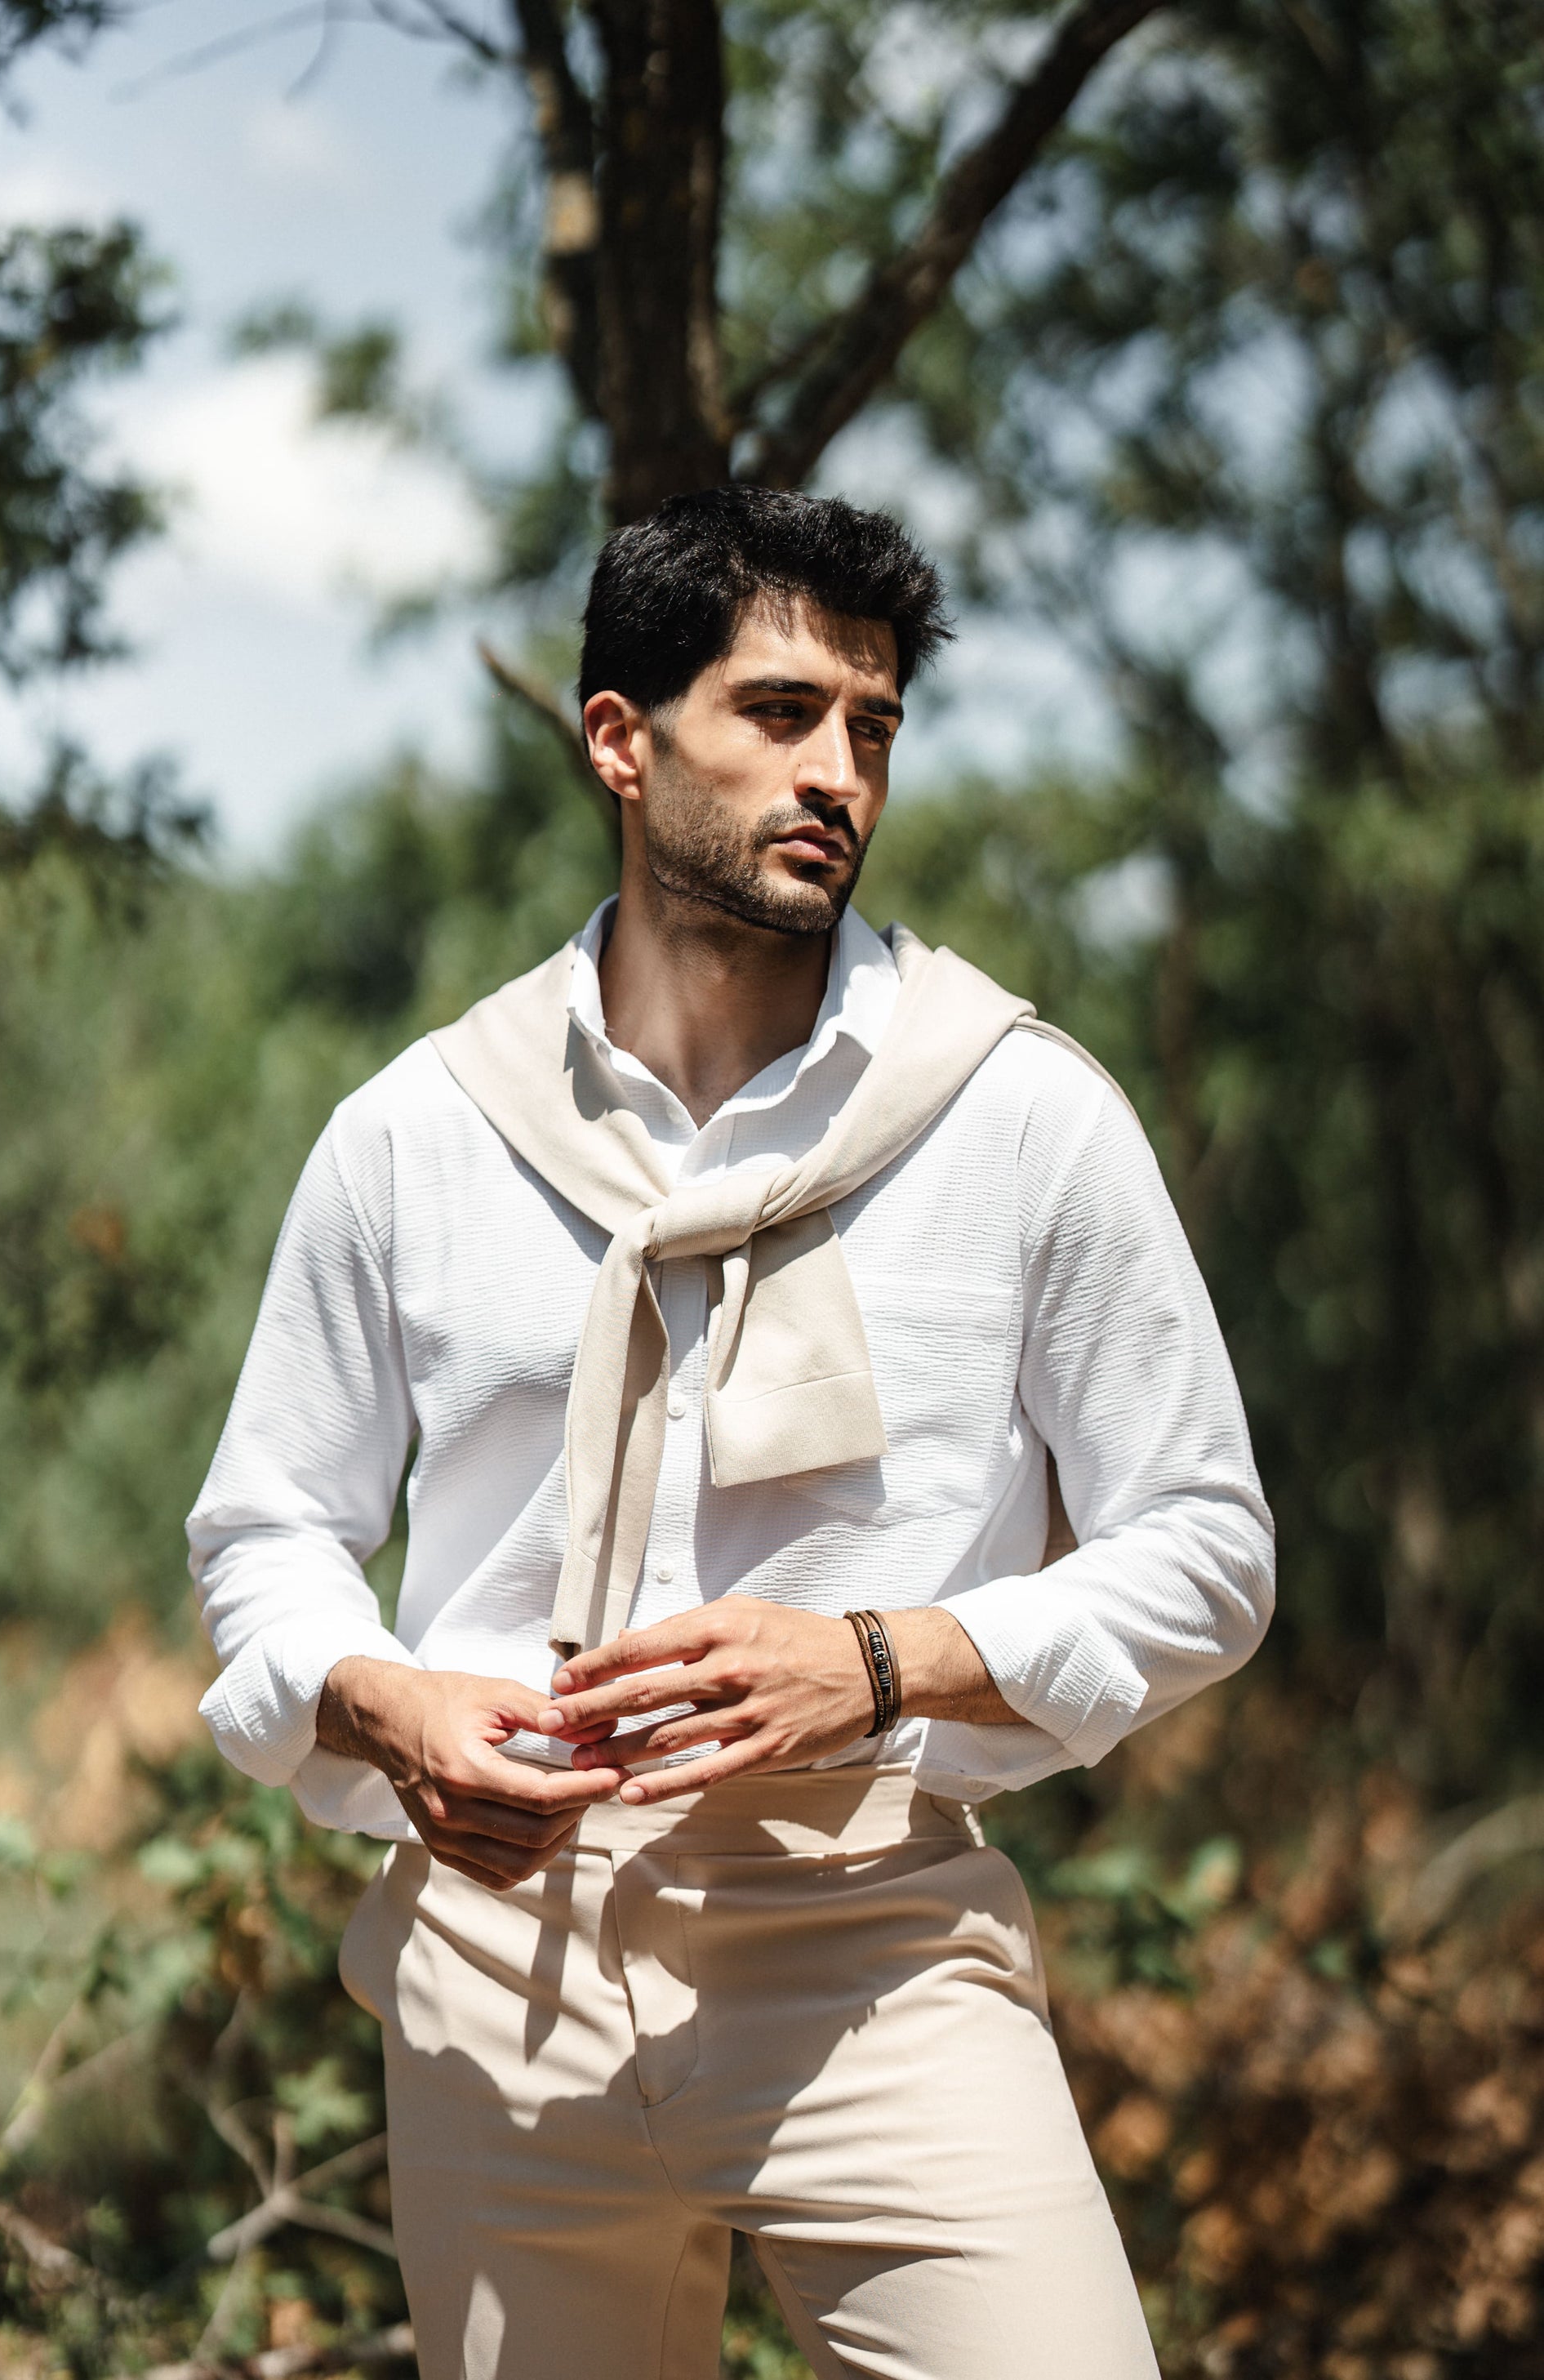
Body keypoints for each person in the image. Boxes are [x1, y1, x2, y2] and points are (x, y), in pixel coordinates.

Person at [189, 486, 1275, 2380]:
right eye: (778, 712)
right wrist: (385, 1701)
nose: (837, 770)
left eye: (872, 725)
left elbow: (1204, 1545)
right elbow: (268, 1525)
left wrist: (879, 1660)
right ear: (620, 738)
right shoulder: (418, 1132)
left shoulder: (1018, 1116)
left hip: (876, 1945)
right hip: (496, 1971)